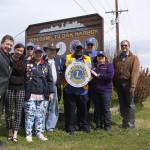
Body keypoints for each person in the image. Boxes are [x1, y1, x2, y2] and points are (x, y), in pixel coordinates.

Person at [24, 45, 54, 142]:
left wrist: (51, 92)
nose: (38, 54)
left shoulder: (46, 65)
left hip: (43, 94)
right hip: (30, 94)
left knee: (40, 115)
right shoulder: (27, 63)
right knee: (30, 114)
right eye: (36, 52)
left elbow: (50, 80)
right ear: (33, 53)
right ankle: (28, 134)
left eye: (40, 52)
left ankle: (39, 133)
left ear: (42, 54)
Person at [63, 40, 91, 134]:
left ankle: (83, 126)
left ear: (82, 49)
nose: (79, 50)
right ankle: (70, 127)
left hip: (83, 90)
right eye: (77, 48)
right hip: (69, 90)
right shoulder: (67, 57)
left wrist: (87, 80)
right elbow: (62, 71)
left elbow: (89, 73)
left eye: (80, 48)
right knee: (70, 110)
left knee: (83, 110)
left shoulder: (87, 58)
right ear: (74, 49)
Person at [113, 40, 140, 128]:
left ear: (129, 46)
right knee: (122, 104)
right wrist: (115, 85)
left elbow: (135, 72)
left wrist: (133, 85)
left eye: (125, 45)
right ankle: (125, 122)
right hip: (119, 84)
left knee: (130, 104)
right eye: (122, 46)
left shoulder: (134, 58)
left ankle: (131, 124)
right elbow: (114, 73)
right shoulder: (116, 59)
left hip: (128, 83)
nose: (124, 47)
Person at [5, 43, 26, 142]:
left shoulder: (24, 61)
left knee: (18, 112)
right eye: (18, 50)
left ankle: (15, 134)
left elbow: (26, 76)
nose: (19, 52)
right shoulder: (8, 59)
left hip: (21, 89)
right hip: (9, 88)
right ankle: (10, 131)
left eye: (21, 51)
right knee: (9, 111)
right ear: (15, 49)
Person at [91, 51, 114, 131]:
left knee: (106, 109)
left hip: (106, 91)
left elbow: (110, 77)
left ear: (105, 58)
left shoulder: (109, 65)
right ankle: (98, 125)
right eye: (99, 56)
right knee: (97, 109)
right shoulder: (94, 67)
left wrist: (98, 75)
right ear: (97, 58)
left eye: (102, 56)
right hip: (96, 91)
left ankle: (107, 126)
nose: (100, 58)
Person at [0, 35, 14, 146]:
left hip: (4, 91)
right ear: (2, 43)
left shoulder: (8, 56)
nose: (9, 46)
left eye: (10, 45)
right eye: (7, 44)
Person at [45, 43, 62, 132]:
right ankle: (42, 125)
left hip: (55, 87)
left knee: (54, 107)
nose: (52, 51)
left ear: (56, 52)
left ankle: (50, 126)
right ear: (47, 51)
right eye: (50, 50)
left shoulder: (59, 61)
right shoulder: (42, 61)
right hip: (44, 87)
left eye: (54, 50)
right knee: (44, 107)